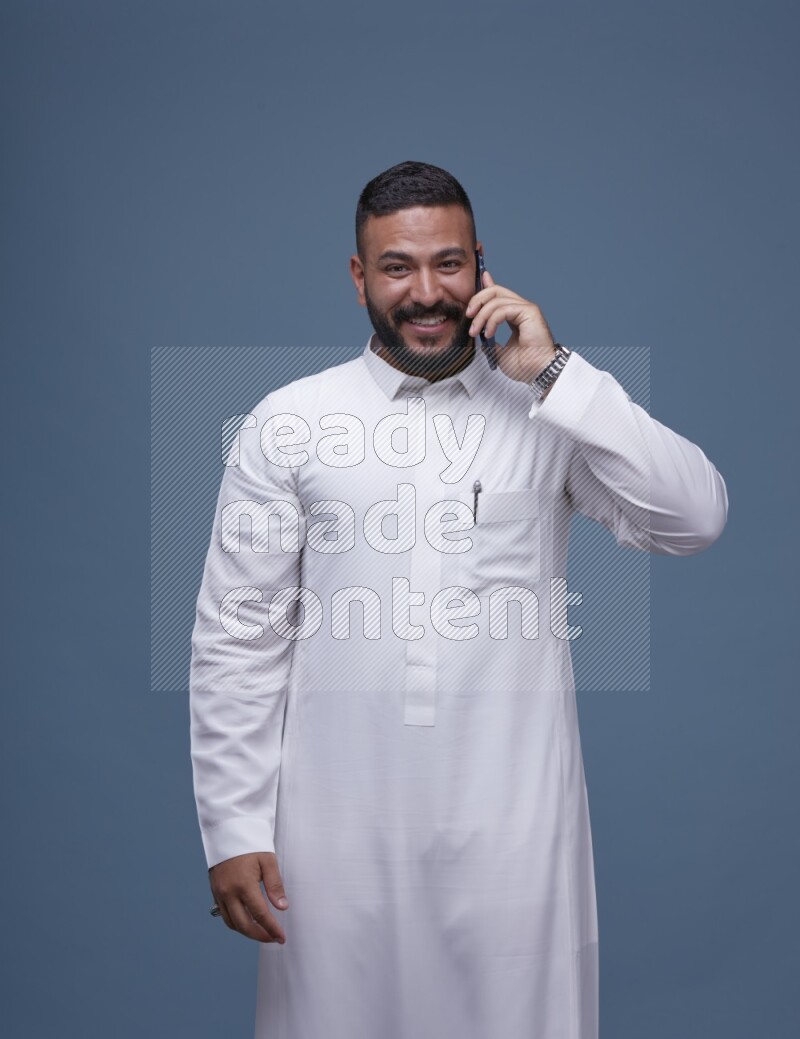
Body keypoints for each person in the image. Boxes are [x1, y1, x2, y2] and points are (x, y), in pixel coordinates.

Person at [189, 160, 728, 1039]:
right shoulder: (286, 421)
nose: (426, 291)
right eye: (398, 267)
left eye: (448, 263)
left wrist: (553, 371)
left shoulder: (549, 413)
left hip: (514, 830)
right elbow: (237, 636)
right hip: (333, 832)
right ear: (359, 278)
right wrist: (231, 826)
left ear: (482, 264)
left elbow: (695, 516)